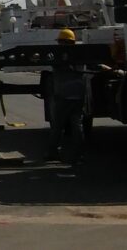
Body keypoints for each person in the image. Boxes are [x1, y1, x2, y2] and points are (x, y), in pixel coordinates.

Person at [45, 28, 87, 163]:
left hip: (63, 96)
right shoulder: (80, 56)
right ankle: (78, 154)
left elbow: (50, 63)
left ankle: (53, 152)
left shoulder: (58, 57)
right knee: (77, 125)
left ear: (62, 42)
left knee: (57, 126)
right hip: (78, 95)